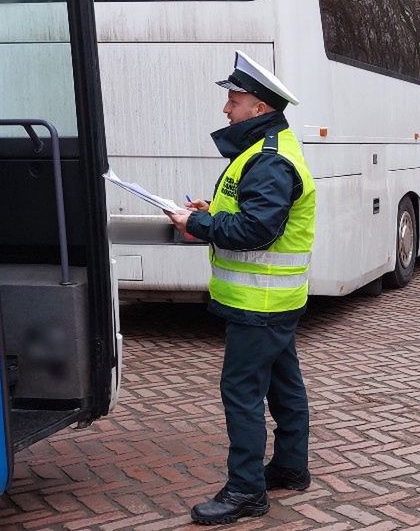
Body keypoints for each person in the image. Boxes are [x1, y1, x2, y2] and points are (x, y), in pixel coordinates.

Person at [168, 51, 317, 525]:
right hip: (274, 301)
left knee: (242, 393)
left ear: (258, 107)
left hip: (260, 302)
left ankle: (246, 491)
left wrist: (198, 224)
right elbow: (253, 212)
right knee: (283, 385)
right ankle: (291, 468)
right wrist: (210, 210)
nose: (225, 109)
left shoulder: (269, 159)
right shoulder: (264, 151)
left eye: (233, 100)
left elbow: (257, 231)